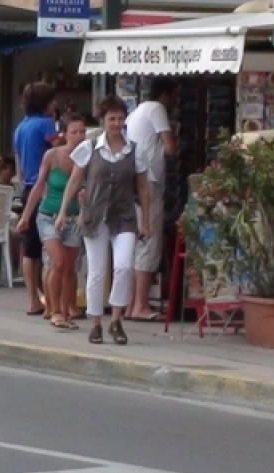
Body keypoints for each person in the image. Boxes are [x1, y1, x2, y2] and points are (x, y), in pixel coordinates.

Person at [55, 96, 151, 346]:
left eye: (120, 119)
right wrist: (64, 210)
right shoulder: (90, 147)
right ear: (103, 120)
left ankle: (116, 319)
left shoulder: (134, 150)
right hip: (95, 217)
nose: (117, 123)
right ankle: (96, 323)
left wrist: (146, 220)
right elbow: (74, 181)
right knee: (97, 271)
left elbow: (143, 187)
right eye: (112, 119)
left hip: (124, 216)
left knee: (123, 266)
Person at [17, 115, 87, 331]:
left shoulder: (87, 159)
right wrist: (25, 216)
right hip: (48, 216)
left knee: (70, 268)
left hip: (74, 218)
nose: (78, 136)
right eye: (74, 132)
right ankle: (55, 310)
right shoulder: (52, 155)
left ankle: (67, 311)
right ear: (64, 134)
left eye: (82, 132)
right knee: (57, 262)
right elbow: (38, 186)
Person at [125, 77, 179, 322]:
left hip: (137, 180)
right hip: (151, 181)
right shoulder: (157, 109)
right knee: (149, 241)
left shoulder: (136, 111)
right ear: (166, 94)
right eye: (174, 95)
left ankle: (130, 304)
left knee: (138, 242)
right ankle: (141, 305)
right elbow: (170, 147)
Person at [12, 82, 60, 316]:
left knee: (29, 248)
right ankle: (52, 301)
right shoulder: (46, 125)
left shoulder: (21, 127)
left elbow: (19, 161)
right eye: (52, 101)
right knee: (49, 245)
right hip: (47, 188)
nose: (55, 105)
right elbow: (60, 152)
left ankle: (33, 299)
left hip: (27, 187)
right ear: (45, 103)